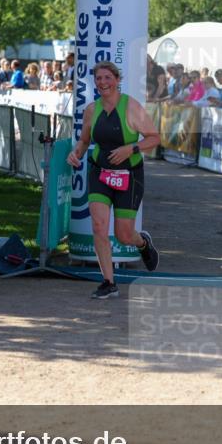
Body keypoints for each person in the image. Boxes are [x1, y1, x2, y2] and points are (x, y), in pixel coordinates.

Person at [66, 61, 161, 299]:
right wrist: (76, 153)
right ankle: (108, 282)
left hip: (129, 175)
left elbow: (154, 137)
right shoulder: (91, 109)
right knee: (98, 226)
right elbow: (84, 141)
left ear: (117, 80)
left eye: (107, 78)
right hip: (100, 172)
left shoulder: (131, 107)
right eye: (98, 79)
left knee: (123, 235)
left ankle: (142, 243)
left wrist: (131, 149)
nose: (103, 83)